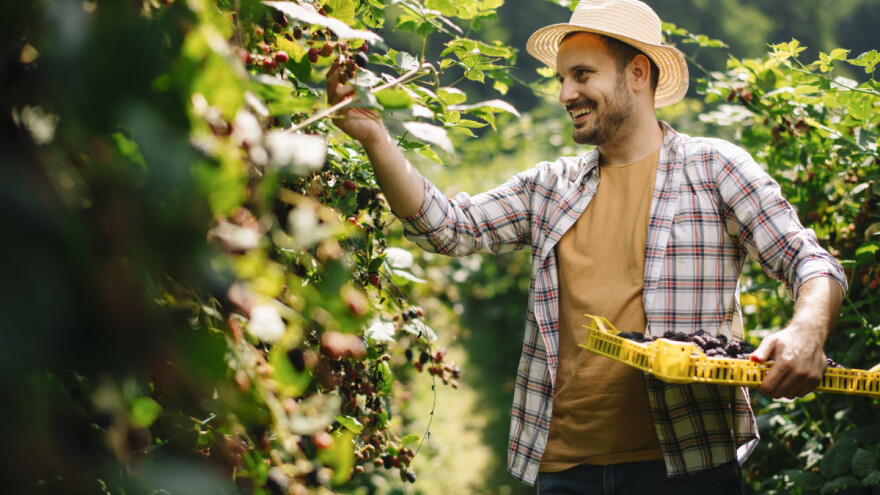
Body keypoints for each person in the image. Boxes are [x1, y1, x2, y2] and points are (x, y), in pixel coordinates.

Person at [327, 0, 847, 492]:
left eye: (582, 75)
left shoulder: (715, 169)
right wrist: (374, 137)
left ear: (638, 74)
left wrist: (807, 331)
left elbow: (808, 260)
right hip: (565, 470)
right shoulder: (550, 187)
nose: (564, 94)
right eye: (561, 79)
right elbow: (450, 226)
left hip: (686, 466)